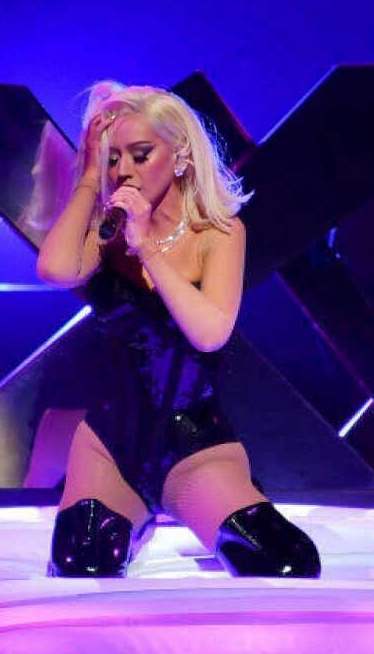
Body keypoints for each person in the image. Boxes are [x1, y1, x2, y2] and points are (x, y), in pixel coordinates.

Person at [34, 82, 320, 580]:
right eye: (114, 158)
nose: (124, 170)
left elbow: (210, 334)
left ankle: (196, 507)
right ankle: (133, 519)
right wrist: (88, 179)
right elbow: (54, 269)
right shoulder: (105, 234)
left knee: (284, 562)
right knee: (82, 563)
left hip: (194, 444)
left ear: (181, 153)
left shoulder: (220, 232)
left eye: (140, 154)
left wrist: (146, 246)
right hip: (111, 443)